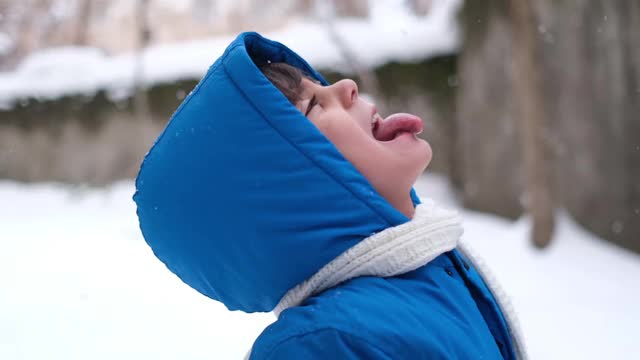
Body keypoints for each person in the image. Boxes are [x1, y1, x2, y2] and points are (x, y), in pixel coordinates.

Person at [134, 32, 527, 359]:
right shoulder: (327, 346)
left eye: (321, 86)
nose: (346, 86)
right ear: (288, 188)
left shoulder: (431, 270)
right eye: (312, 106)